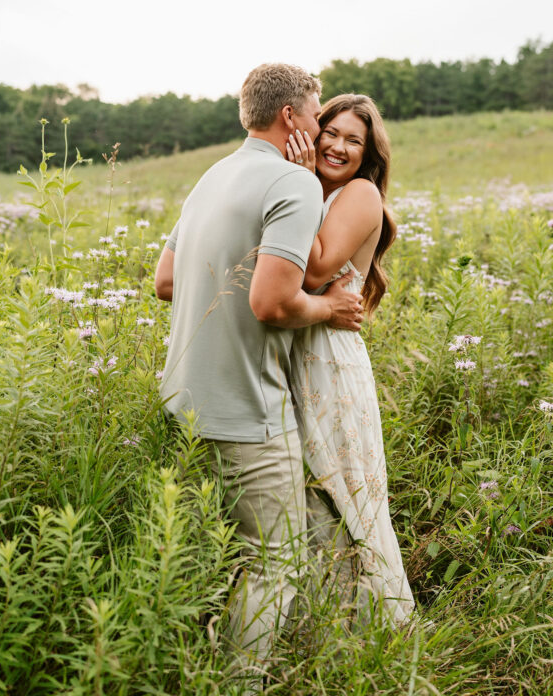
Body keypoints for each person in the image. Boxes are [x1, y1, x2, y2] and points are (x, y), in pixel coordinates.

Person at [154, 64, 364, 682]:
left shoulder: (211, 176)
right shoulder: (292, 186)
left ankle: (199, 659)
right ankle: (237, 682)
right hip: (249, 412)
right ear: (292, 117)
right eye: (317, 108)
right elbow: (272, 303)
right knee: (278, 562)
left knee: (220, 554)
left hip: (183, 398)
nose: (323, 121)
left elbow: (165, 282)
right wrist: (328, 307)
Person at [286, 93, 414, 626]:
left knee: (338, 485)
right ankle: (312, 622)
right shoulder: (313, 190)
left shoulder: (359, 195)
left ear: (368, 154)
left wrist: (296, 178)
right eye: (330, 132)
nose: (337, 146)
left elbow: (312, 272)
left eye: (353, 140)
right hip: (298, 345)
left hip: (328, 361)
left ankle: (367, 627)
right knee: (300, 490)